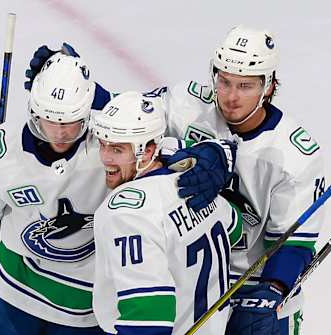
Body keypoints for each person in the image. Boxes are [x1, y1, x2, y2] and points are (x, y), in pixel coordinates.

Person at [25, 24, 326, 335]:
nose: (231, 97)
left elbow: (295, 242)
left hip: (254, 292)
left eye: (245, 86)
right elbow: (130, 121)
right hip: (189, 283)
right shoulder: (186, 103)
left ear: (269, 86)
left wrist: (273, 290)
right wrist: (68, 85)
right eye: (224, 81)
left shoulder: (294, 156)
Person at [0, 53, 235, 333]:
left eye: (71, 122)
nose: (60, 133)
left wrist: (215, 155)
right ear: (34, 110)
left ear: (89, 111)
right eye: (50, 121)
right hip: (16, 292)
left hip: (85, 310)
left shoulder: (110, 142)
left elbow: (160, 147)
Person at [91, 91, 242, 334]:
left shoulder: (126, 213)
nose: (105, 158)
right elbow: (235, 229)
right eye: (103, 144)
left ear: (149, 151)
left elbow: (148, 316)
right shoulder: (196, 183)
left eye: (118, 150)